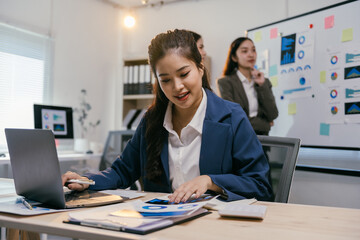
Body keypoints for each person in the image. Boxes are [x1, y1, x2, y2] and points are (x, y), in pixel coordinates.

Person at [62, 29, 273, 203]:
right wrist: (86, 181)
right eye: (165, 80)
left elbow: (260, 185)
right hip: (161, 226)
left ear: (200, 68)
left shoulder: (232, 117)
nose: (177, 87)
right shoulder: (152, 120)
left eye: (183, 74)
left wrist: (210, 181)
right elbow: (122, 171)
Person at [217, 37, 278, 136]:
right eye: (245, 51)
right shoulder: (225, 83)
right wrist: (266, 125)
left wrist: (262, 85)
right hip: (238, 140)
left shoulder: (264, 82)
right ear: (234, 57)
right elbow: (235, 118)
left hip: (263, 142)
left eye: (253, 50)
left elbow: (273, 114)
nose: (251, 54)